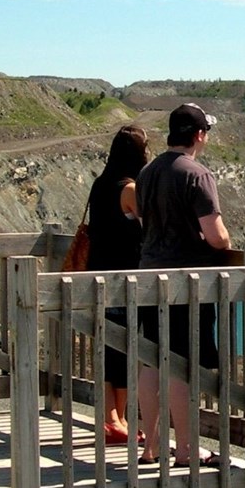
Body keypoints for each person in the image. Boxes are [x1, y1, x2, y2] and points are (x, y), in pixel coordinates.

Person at [135, 103, 231, 466]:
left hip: (147, 278)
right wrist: (224, 241)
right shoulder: (198, 175)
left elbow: (145, 219)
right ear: (199, 135)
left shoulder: (147, 173)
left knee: (151, 362)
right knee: (181, 366)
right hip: (185, 285)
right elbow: (216, 236)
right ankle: (187, 451)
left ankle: (151, 446)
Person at [85, 125, 149, 445]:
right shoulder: (128, 189)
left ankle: (112, 417)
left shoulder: (100, 184)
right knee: (122, 349)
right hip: (123, 278)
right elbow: (150, 224)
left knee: (108, 347)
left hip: (96, 274)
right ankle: (117, 418)